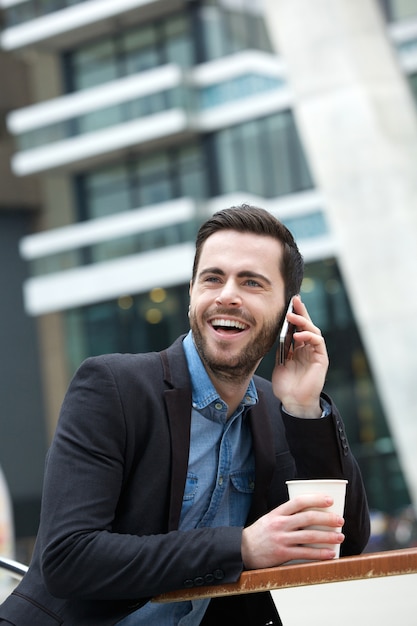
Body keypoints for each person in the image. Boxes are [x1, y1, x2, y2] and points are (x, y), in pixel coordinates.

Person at [0, 205, 370, 626]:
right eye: (212, 278)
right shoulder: (111, 387)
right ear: (191, 294)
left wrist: (304, 407)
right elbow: (68, 556)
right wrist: (241, 547)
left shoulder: (279, 410)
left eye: (251, 282)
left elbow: (347, 542)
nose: (227, 294)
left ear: (289, 313)